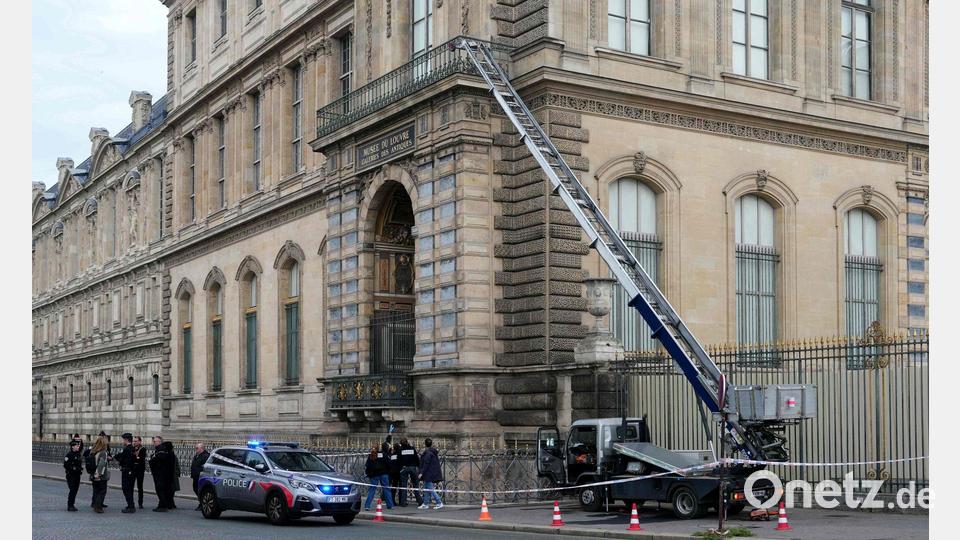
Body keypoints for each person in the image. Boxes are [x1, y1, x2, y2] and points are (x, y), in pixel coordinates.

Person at [363, 443, 394, 511]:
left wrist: (369, 474)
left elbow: (368, 466)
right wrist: (388, 471)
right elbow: (389, 463)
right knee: (386, 489)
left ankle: (367, 506)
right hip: (384, 474)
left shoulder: (371, 455)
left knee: (372, 490)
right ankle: (390, 505)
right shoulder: (383, 454)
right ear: (379, 448)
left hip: (374, 475)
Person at [149, 436, 174, 511]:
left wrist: (152, 460)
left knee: (160, 489)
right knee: (160, 489)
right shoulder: (159, 449)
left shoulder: (161, 449)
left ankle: (163, 506)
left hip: (160, 473)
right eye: (154, 441)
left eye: (155, 441)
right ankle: (161, 505)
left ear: (159, 442)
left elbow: (159, 459)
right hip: (159, 473)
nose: (154, 443)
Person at [418, 438, 443, 510]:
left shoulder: (428, 453)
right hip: (429, 473)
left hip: (428, 474)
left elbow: (426, 464)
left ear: (424, 444)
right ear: (431, 444)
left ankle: (439, 502)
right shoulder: (432, 452)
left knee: (430, 489)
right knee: (426, 489)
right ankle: (425, 503)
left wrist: (421, 473)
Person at [397, 437, 423, 507]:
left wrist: (400, 467)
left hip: (404, 468)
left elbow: (398, 460)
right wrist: (418, 466)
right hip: (412, 467)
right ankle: (419, 501)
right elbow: (416, 458)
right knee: (415, 484)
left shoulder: (400, 449)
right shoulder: (412, 448)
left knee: (404, 485)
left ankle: (403, 502)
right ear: (407, 442)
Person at [115, 433, 137, 513]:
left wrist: (118, 459)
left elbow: (124, 459)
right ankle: (131, 504)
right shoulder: (132, 448)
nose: (122, 441)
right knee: (129, 489)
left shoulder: (127, 449)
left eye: (123, 439)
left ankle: (131, 506)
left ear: (126, 440)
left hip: (127, 471)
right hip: (131, 471)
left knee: (126, 488)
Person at [89, 435, 110, 513]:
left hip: (92, 473)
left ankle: (94, 503)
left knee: (96, 490)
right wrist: (98, 474)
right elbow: (101, 464)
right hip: (100, 476)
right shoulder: (103, 453)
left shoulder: (93, 451)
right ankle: (98, 507)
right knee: (102, 491)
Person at [63, 439, 83, 511]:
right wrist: (73, 468)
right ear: (72, 447)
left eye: (78, 446)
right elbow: (65, 465)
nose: (78, 447)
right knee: (72, 490)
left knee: (75, 490)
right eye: (76, 446)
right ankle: (70, 505)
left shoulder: (78, 454)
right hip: (71, 475)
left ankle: (72, 504)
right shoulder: (69, 455)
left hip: (77, 475)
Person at [190, 443, 210, 510]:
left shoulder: (205, 456)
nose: (196, 449)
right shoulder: (197, 455)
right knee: (195, 489)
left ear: (202, 448)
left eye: (197, 448)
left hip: (201, 476)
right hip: (195, 476)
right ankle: (201, 502)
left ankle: (202, 503)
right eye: (195, 448)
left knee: (200, 490)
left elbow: (205, 466)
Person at [132, 436, 147, 509]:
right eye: (134, 441)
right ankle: (131, 503)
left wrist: (136, 457)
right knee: (131, 486)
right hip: (133, 470)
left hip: (140, 470)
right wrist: (136, 457)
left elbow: (141, 459)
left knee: (140, 487)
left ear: (140, 442)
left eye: (136, 441)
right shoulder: (131, 448)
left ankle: (140, 503)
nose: (134, 442)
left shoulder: (143, 449)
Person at [389, 441, 402, 505]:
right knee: (401, 487)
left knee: (394, 487)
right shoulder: (399, 455)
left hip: (392, 472)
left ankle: (392, 500)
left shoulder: (392, 455)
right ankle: (401, 501)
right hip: (399, 472)